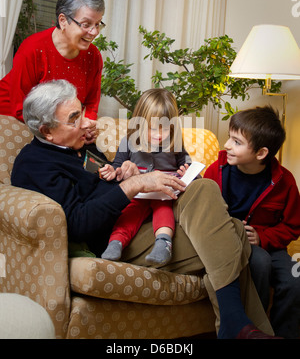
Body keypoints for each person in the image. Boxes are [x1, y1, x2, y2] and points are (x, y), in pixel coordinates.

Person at [11, 80, 281, 339]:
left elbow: (103, 181)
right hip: (119, 236)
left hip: (146, 215)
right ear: (46, 130)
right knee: (232, 231)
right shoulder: (36, 164)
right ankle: (239, 326)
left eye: (81, 112)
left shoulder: (77, 145)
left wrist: (122, 171)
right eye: (74, 119)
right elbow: (79, 222)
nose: (88, 121)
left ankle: (233, 326)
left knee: (204, 187)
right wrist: (133, 183)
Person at [204, 105, 300, 338]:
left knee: (295, 281)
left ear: (261, 153)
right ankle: (251, 328)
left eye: (236, 142)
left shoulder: (284, 181)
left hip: (270, 246)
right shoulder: (216, 170)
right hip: (229, 244)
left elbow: (293, 226)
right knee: (259, 262)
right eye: (229, 138)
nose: (226, 145)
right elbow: (203, 211)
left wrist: (263, 237)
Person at [0, 0, 105, 145]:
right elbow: (20, 107)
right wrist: (67, 130)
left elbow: (91, 103)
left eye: (98, 24)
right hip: (13, 119)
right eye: (86, 24)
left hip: (60, 129)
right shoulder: (32, 49)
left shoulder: (93, 56)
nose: (94, 32)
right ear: (63, 20)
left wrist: (87, 125)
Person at [100, 88, 191, 266]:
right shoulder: (129, 142)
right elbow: (117, 167)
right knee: (129, 212)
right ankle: (115, 243)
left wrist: (187, 173)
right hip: (138, 195)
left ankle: (163, 242)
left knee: (163, 209)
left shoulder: (175, 143)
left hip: (164, 195)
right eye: (151, 128)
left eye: (164, 128)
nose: (158, 134)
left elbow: (190, 168)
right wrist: (113, 171)